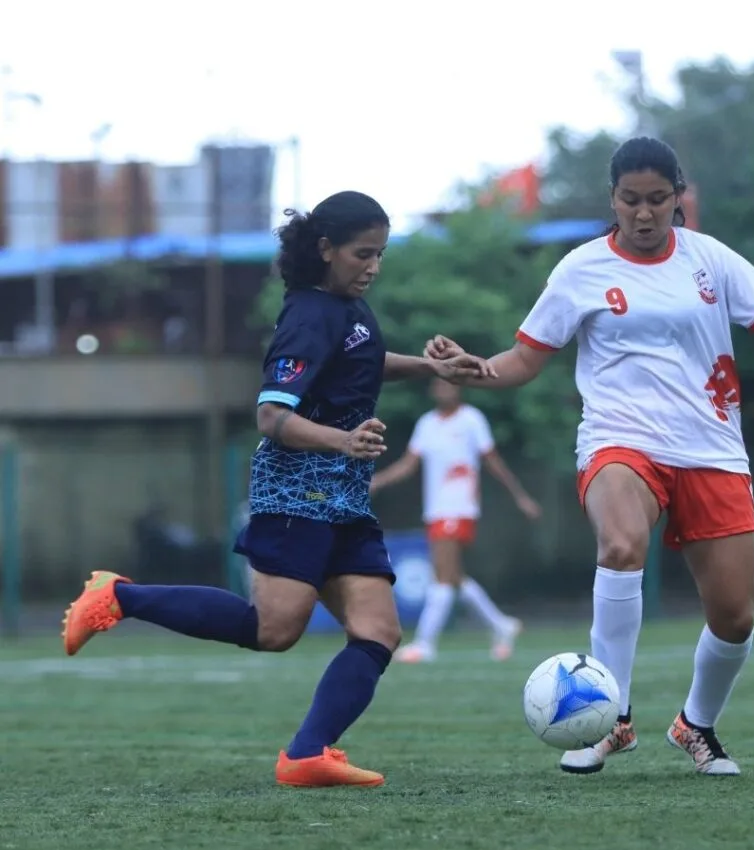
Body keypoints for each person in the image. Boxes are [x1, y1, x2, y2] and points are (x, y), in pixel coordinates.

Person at [61, 190, 492, 788]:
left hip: (344, 495)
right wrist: (343, 440)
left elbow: (362, 362)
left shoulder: (348, 307)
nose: (373, 266)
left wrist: (430, 368)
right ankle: (117, 597)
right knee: (274, 630)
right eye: (363, 254)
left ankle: (307, 754)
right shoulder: (308, 315)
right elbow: (271, 416)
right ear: (326, 249)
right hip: (297, 492)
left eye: (380, 254)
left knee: (378, 631)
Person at [426, 137, 754, 777]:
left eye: (657, 199)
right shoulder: (580, 269)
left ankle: (696, 725)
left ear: (677, 197)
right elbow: (525, 358)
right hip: (619, 439)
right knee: (619, 544)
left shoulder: (710, 259)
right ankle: (613, 717)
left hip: (712, 447)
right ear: (612, 198)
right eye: (630, 199)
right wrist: (477, 370)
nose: (643, 212)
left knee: (734, 617)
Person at [368, 378, 542, 663]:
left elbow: (493, 460)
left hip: (459, 507)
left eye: (448, 385)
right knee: (454, 577)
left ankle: (425, 644)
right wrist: (379, 481)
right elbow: (408, 464)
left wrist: (520, 495)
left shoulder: (471, 420)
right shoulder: (427, 423)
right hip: (436, 509)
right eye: (438, 385)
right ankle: (502, 625)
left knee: (442, 577)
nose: (443, 390)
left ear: (458, 388)